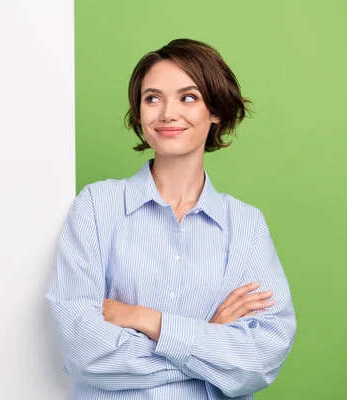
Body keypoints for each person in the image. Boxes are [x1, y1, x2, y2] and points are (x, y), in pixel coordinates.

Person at [45, 38, 296, 400]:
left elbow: (260, 359)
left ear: (216, 112)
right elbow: (84, 351)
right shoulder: (97, 206)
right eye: (152, 98)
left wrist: (148, 320)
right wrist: (207, 340)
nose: (166, 113)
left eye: (188, 97)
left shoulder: (246, 225)